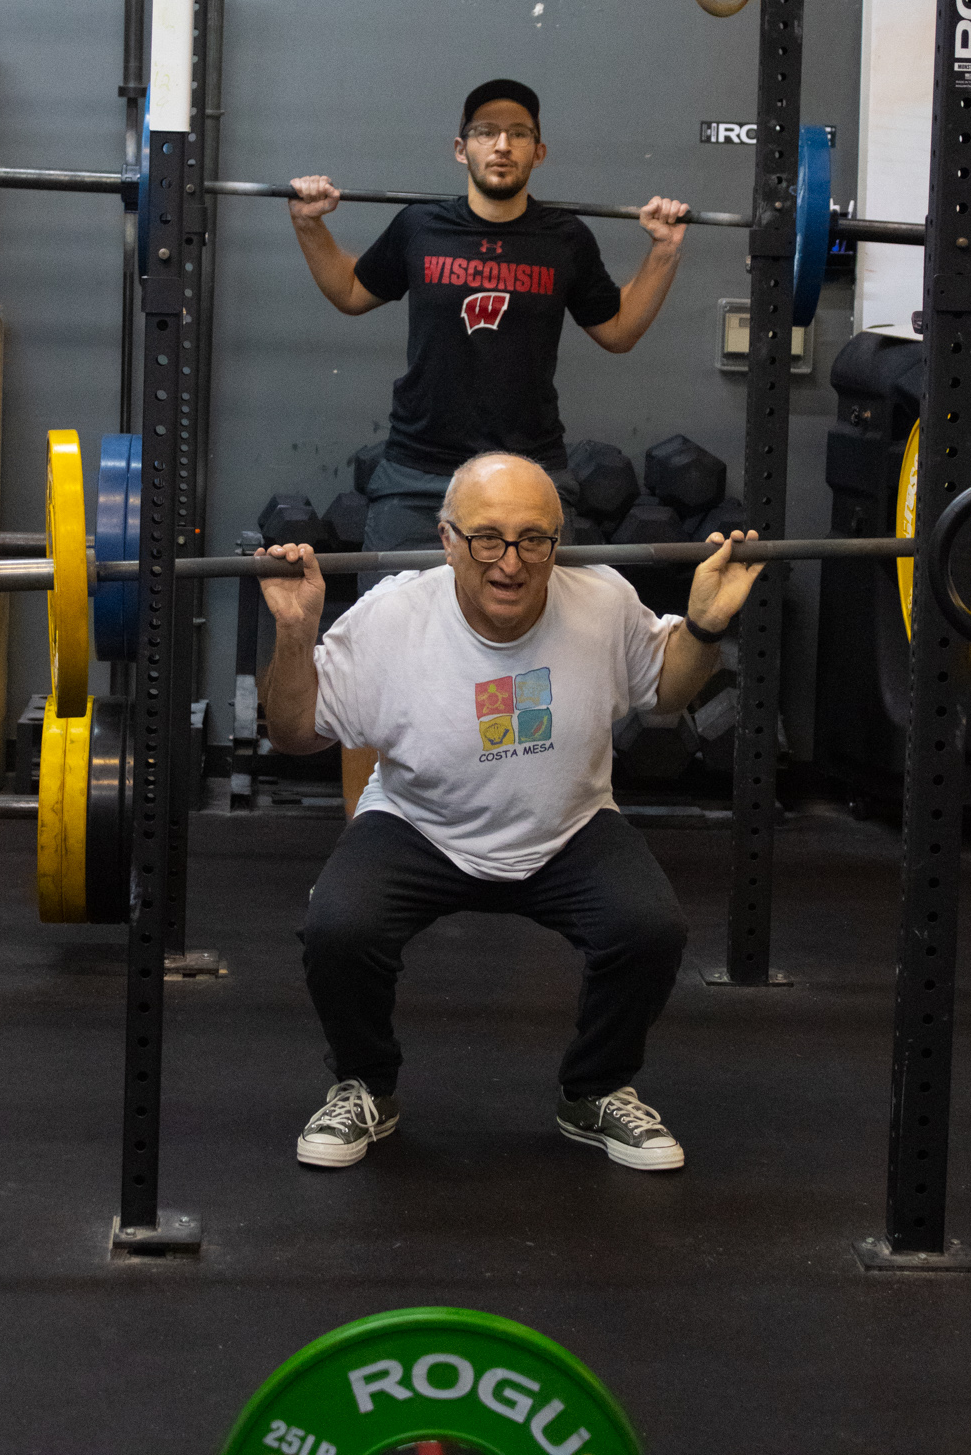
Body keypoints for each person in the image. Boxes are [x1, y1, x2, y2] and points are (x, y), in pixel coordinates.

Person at [258, 450, 761, 1174]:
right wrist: (295, 633)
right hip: (419, 824)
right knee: (338, 928)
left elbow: (665, 695)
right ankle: (364, 1083)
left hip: (568, 826)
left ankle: (592, 1091)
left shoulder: (603, 599)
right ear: (446, 540)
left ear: (557, 543)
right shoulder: (393, 615)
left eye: (534, 539)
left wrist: (706, 628)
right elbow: (294, 733)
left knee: (649, 930)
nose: (510, 563)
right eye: (486, 538)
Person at [287, 79, 691, 553]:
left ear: (538, 152)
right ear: (462, 149)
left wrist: (664, 252)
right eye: (485, 132)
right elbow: (352, 292)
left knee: (524, 624)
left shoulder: (566, 239)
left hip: (528, 470)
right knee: (398, 623)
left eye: (519, 134)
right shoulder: (420, 226)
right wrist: (308, 224)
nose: (502, 145)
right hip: (418, 471)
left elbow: (619, 331)